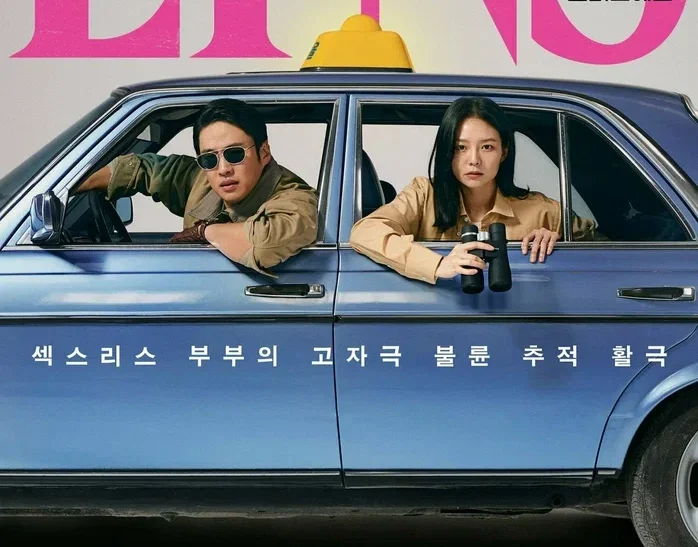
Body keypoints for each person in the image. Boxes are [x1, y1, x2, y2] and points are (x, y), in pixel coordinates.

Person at [349, 97, 597, 284]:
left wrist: (559, 241)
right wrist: (437, 264)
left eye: (487, 147)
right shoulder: (424, 195)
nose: (474, 160)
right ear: (447, 152)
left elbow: (606, 253)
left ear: (504, 152)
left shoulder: (544, 211)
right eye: (461, 147)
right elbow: (365, 232)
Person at [74, 98, 318, 276]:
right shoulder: (201, 178)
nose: (223, 169)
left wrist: (203, 232)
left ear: (263, 153)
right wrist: (70, 186)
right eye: (209, 158)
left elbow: (265, 243)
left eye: (234, 154)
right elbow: (142, 169)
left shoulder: (296, 199)